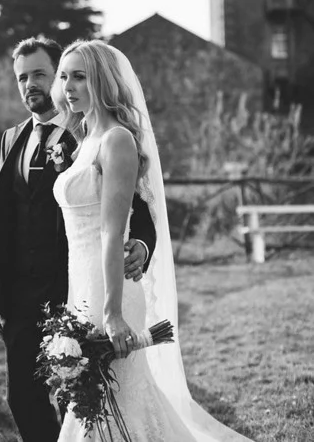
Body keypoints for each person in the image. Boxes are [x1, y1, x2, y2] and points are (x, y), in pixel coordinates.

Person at [51, 39, 255, 442]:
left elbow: (112, 230)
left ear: (102, 81)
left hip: (110, 289)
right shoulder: (84, 139)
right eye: (64, 76)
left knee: (116, 404)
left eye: (80, 77)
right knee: (96, 406)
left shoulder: (116, 140)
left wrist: (112, 312)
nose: (68, 86)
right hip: (82, 285)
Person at [0, 37, 157, 442]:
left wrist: (141, 245)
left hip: (76, 290)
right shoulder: (12, 139)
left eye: (40, 74)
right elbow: (8, 222)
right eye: (22, 78)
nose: (31, 84)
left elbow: (134, 205)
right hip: (22, 296)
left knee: (82, 401)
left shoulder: (87, 129)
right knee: (22, 398)